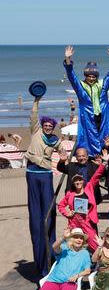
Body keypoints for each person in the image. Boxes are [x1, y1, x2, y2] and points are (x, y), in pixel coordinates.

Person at [24, 95, 64, 279]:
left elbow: (62, 150)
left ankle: (51, 259)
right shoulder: (36, 132)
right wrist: (36, 100)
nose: (48, 128)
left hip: (46, 176)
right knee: (36, 216)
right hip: (32, 175)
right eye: (46, 125)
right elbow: (34, 115)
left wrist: (63, 155)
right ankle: (40, 263)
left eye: (50, 126)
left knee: (49, 215)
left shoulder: (54, 140)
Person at [64, 45, 109, 156]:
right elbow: (72, 77)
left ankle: (107, 156)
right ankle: (90, 157)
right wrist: (68, 60)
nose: (91, 78)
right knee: (88, 138)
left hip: (103, 114)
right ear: (85, 76)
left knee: (106, 136)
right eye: (89, 76)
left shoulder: (102, 84)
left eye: (94, 76)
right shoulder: (80, 86)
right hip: (88, 115)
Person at [57, 154, 107, 251]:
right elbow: (61, 205)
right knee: (72, 246)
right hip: (74, 222)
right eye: (76, 181)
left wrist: (103, 163)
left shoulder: (89, 188)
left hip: (86, 220)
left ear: (83, 181)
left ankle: (100, 262)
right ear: (73, 183)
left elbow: (97, 176)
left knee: (95, 244)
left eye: (79, 180)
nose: (78, 182)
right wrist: (67, 213)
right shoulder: (70, 194)